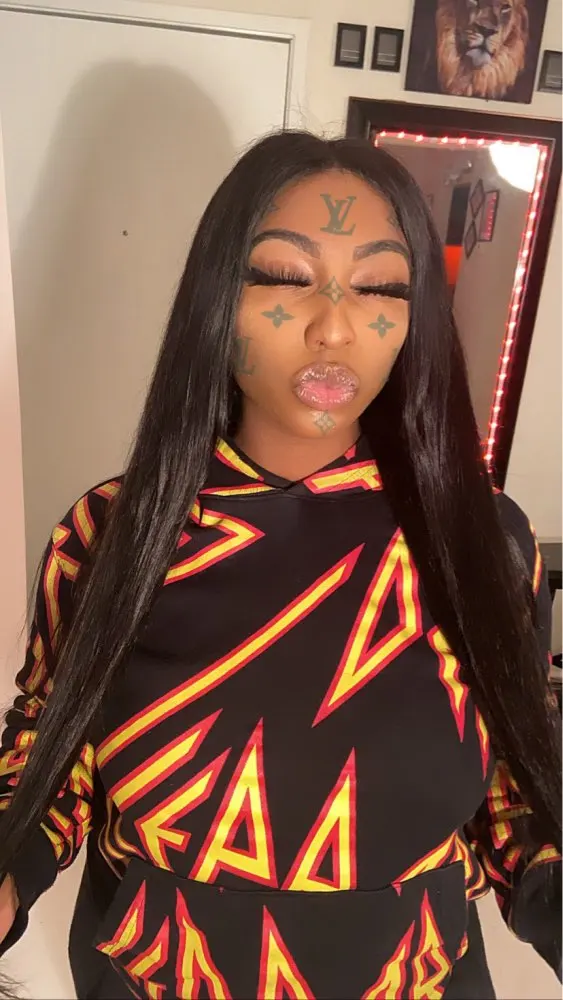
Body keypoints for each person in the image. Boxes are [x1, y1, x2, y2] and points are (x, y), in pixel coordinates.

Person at [0, 130, 560, 1000]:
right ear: (217, 295)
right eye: (285, 277)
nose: (333, 326)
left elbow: (513, 782)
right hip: (154, 975)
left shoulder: (481, 541)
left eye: (378, 287)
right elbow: (53, 743)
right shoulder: (111, 534)